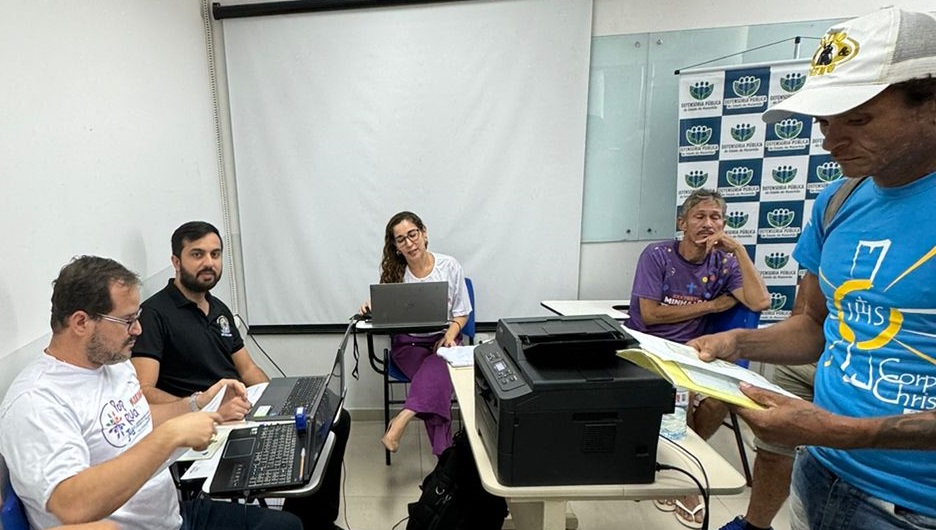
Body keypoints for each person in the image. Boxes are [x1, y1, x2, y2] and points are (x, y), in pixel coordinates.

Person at [689, 7, 936, 530]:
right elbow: (814, 326)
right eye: (824, 120)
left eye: (858, 118)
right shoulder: (838, 201)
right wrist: (737, 344)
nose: (831, 140)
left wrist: (842, 430)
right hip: (821, 476)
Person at [0, 256, 301, 530]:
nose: (138, 330)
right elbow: (71, 505)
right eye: (127, 321)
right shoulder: (37, 401)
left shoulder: (114, 364)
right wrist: (170, 436)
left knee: (288, 525)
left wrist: (203, 405)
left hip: (173, 518)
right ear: (80, 322)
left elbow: (135, 420)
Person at [131, 221, 350, 530]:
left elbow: (246, 368)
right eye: (197, 254)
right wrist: (206, 408)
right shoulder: (154, 315)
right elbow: (144, 391)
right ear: (176, 262)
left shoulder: (218, 308)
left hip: (240, 411)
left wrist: (277, 402)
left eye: (215, 254)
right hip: (207, 427)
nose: (209, 262)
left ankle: (314, 519)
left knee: (337, 419)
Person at [629, 188, 770, 528]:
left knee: (721, 398)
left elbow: (760, 302)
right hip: (649, 345)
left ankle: (675, 462)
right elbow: (650, 315)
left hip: (696, 350)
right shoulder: (657, 254)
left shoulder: (724, 260)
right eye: (700, 216)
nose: (708, 224)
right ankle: (686, 480)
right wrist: (710, 305)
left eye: (716, 217)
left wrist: (738, 251)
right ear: (683, 223)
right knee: (680, 396)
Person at [360, 211, 471, 456]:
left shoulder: (449, 266)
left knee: (436, 369)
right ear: (396, 247)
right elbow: (386, 314)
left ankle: (402, 418)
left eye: (413, 234)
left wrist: (450, 335)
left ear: (424, 233)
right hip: (408, 346)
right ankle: (446, 460)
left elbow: (462, 313)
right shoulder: (394, 275)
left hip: (445, 340)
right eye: (401, 240)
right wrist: (372, 305)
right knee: (435, 379)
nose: (409, 243)